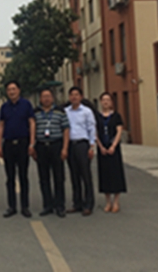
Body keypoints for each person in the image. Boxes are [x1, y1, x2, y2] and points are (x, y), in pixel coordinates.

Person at [0, 80, 36, 218]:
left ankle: (25, 206)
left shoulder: (26, 104)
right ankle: (11, 206)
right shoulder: (4, 107)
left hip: (23, 143)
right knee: (10, 177)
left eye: (14, 89)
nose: (11, 92)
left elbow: (32, 123)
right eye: (9, 90)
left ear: (19, 90)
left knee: (23, 176)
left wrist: (32, 143)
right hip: (8, 144)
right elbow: (1, 125)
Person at [33, 88, 70, 218]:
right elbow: (32, 130)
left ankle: (60, 206)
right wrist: (32, 147)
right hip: (41, 146)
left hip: (56, 145)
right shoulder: (35, 112)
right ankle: (47, 205)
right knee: (44, 178)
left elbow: (66, 130)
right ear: (40, 99)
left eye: (48, 96)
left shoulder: (60, 112)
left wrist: (65, 148)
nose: (46, 99)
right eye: (44, 96)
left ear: (52, 98)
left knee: (59, 177)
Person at [64, 86, 96, 216]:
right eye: (72, 95)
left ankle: (88, 204)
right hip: (70, 145)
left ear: (81, 97)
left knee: (85, 175)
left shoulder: (87, 111)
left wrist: (92, 146)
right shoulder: (66, 111)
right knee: (74, 175)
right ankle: (77, 203)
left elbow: (91, 128)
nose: (74, 97)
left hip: (82, 144)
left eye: (76, 94)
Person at [95, 92, 127, 213]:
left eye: (108, 100)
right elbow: (95, 132)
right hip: (102, 149)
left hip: (114, 149)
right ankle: (108, 202)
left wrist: (113, 146)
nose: (105, 102)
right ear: (100, 102)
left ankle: (116, 202)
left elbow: (119, 131)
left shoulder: (116, 116)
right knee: (105, 174)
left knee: (116, 174)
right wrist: (100, 146)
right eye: (103, 100)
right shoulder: (97, 117)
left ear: (112, 102)